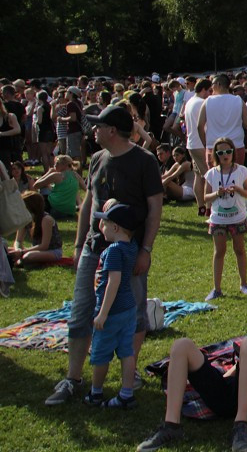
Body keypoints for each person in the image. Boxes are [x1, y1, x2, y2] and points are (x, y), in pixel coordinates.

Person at [46, 104, 164, 406]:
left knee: (132, 312)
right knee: (81, 311)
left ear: (112, 130)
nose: (93, 130)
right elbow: (89, 203)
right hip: (94, 247)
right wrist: (78, 243)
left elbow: (154, 209)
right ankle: (73, 379)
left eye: (98, 126)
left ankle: (130, 372)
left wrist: (146, 250)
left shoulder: (144, 161)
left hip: (129, 251)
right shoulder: (97, 158)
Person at [136, 313, 247, 452]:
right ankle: (171, 426)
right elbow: (226, 379)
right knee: (182, 345)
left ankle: (240, 425)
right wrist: (245, 362)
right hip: (227, 393)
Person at [84, 202, 140, 409]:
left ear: (115, 228)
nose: (101, 227)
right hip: (129, 308)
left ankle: (96, 392)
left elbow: (113, 282)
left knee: (100, 353)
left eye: (105, 223)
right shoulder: (131, 246)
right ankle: (127, 394)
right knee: (127, 352)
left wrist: (103, 314)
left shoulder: (114, 251)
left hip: (112, 311)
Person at [203, 137, 247, 301]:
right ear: (216, 155)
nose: (225, 155)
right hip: (218, 219)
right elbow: (206, 197)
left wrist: (239, 189)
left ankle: (244, 284)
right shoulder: (211, 173)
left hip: (238, 217)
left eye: (228, 151)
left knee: (239, 250)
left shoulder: (241, 171)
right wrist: (216, 193)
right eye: (221, 152)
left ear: (233, 152)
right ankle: (217, 288)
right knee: (219, 252)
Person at [198, 75, 247, 168]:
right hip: (236, 145)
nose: (211, 87)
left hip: (213, 146)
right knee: (236, 179)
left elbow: (199, 126)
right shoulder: (238, 100)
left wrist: (205, 143)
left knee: (215, 179)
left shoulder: (208, 101)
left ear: (218, 84)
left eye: (212, 84)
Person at [183, 79, 213, 217]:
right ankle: (208, 208)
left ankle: (201, 206)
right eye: (209, 91)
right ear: (204, 90)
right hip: (200, 143)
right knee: (208, 176)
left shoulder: (190, 101)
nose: (210, 94)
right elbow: (205, 125)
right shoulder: (201, 103)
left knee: (198, 176)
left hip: (192, 143)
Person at [8, 191, 63, 265]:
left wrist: (21, 252)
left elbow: (44, 246)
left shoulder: (46, 219)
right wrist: (17, 249)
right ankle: (15, 261)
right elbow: (18, 240)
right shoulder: (25, 219)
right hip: (33, 249)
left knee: (29, 256)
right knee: (4, 249)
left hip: (52, 251)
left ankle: (16, 262)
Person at [31, 154, 85, 218]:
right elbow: (86, 188)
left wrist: (48, 172)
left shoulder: (56, 175)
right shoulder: (76, 175)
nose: (54, 166)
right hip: (70, 211)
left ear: (64, 165)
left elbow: (35, 185)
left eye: (56, 164)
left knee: (43, 188)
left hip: (56, 209)